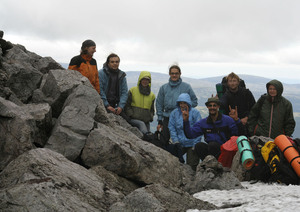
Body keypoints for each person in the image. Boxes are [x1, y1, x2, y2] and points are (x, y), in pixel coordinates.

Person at [182, 97, 242, 161]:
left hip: (225, 150)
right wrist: (186, 121)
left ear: (218, 106)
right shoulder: (203, 123)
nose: (212, 108)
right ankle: (208, 164)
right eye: (210, 106)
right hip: (211, 151)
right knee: (199, 146)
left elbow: (237, 134)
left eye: (214, 105)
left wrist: (237, 120)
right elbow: (190, 135)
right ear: (207, 107)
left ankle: (216, 165)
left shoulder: (227, 120)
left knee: (212, 145)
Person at [156, 64, 198, 146]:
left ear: (180, 74)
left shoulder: (186, 87)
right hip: (167, 117)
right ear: (169, 74)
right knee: (163, 141)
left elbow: (194, 101)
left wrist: (185, 108)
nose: (174, 75)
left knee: (182, 142)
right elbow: (159, 104)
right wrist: (160, 119)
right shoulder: (164, 88)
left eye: (176, 73)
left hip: (182, 117)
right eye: (172, 73)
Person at [168, 93, 202, 170]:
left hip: (192, 143)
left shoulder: (195, 113)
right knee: (174, 164)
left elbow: (199, 129)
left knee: (192, 166)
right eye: (180, 103)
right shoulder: (174, 113)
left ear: (188, 103)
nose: (182, 105)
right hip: (179, 143)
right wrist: (175, 141)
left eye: (184, 103)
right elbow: (172, 127)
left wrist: (196, 144)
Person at [125, 71, 155, 137]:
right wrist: (131, 114)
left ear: (149, 81)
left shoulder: (152, 95)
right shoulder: (133, 90)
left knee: (148, 136)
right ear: (140, 80)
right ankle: (146, 135)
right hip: (134, 119)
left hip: (146, 121)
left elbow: (152, 109)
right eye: (143, 79)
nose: (145, 81)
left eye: (147, 80)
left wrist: (150, 117)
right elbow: (127, 104)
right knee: (143, 129)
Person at [98, 53, 128, 118]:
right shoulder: (101, 73)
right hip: (103, 104)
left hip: (116, 105)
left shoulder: (121, 75)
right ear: (108, 63)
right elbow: (100, 90)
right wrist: (107, 105)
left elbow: (124, 92)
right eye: (112, 62)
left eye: (117, 62)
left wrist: (120, 107)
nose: (115, 63)